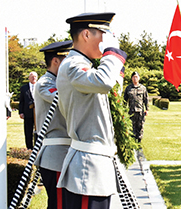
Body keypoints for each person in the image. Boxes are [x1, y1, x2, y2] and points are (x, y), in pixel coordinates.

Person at [55, 12, 128, 209]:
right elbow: (104, 82)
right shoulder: (73, 65)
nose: (106, 40)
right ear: (86, 34)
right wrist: (112, 52)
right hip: (88, 167)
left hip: (95, 164)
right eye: (103, 34)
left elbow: (111, 88)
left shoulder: (82, 65)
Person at [33, 40, 73, 209]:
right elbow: (66, 98)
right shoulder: (45, 83)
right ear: (56, 61)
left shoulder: (61, 82)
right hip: (55, 154)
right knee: (59, 205)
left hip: (65, 153)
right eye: (67, 59)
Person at [124, 71, 149, 143]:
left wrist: (147, 109)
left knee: (140, 126)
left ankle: (139, 141)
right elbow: (125, 100)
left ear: (139, 78)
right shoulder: (128, 88)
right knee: (132, 126)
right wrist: (123, 109)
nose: (135, 78)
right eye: (133, 77)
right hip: (131, 111)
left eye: (136, 77)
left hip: (140, 111)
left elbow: (146, 99)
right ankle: (133, 141)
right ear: (131, 78)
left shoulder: (143, 88)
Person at [19, 71, 38, 150]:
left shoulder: (40, 86)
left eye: (35, 76)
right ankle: (29, 147)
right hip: (28, 112)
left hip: (38, 113)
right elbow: (21, 101)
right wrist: (21, 112)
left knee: (38, 131)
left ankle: (37, 147)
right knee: (28, 131)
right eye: (32, 76)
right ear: (29, 78)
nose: (33, 78)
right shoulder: (24, 88)